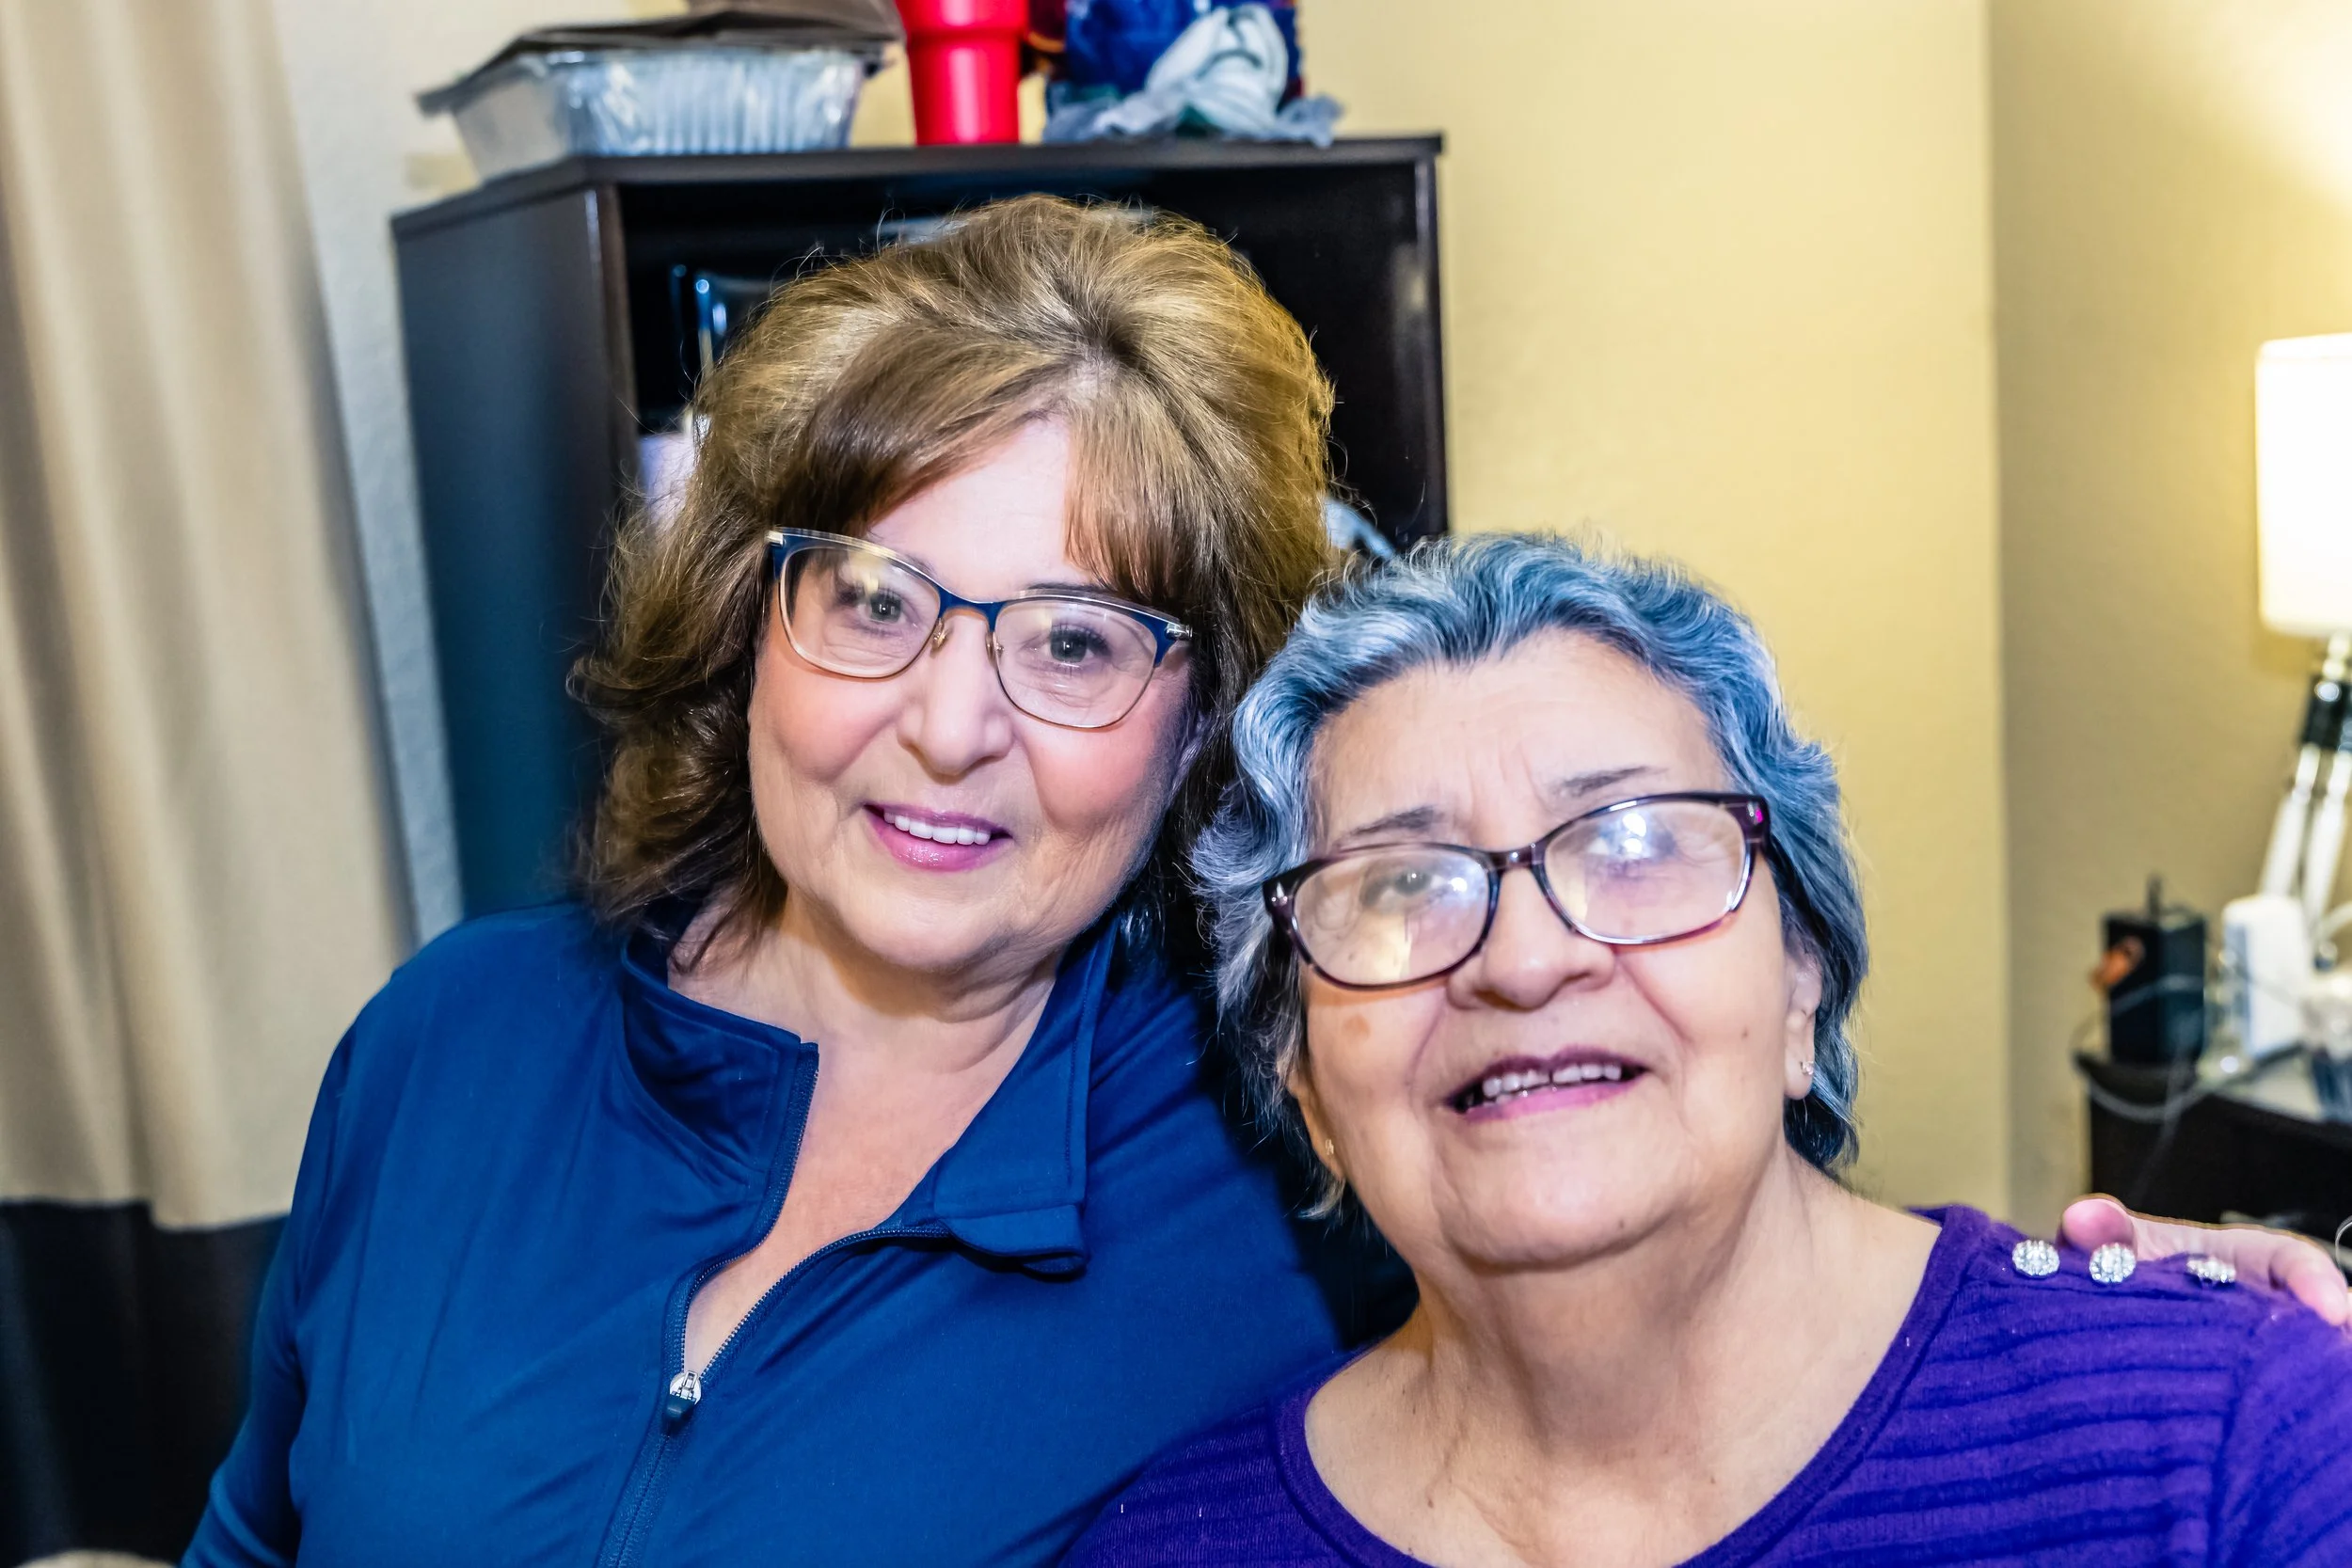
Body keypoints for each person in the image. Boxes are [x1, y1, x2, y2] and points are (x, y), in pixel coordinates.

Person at [186, 198, 2335, 1567]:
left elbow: (1633, 1175)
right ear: (747, 619)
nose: (952, 720)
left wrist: (2135, 1307)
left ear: (1197, 725)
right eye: (874, 598)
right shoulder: (450, 1045)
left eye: (1075, 637)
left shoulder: (1263, 1116)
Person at [1072, 534, 2352, 1567]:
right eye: (1403, 885)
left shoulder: (2235, 1437)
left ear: (1803, 978)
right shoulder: (1171, 1545)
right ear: (1306, 1088)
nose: (1524, 962)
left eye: (1631, 843)